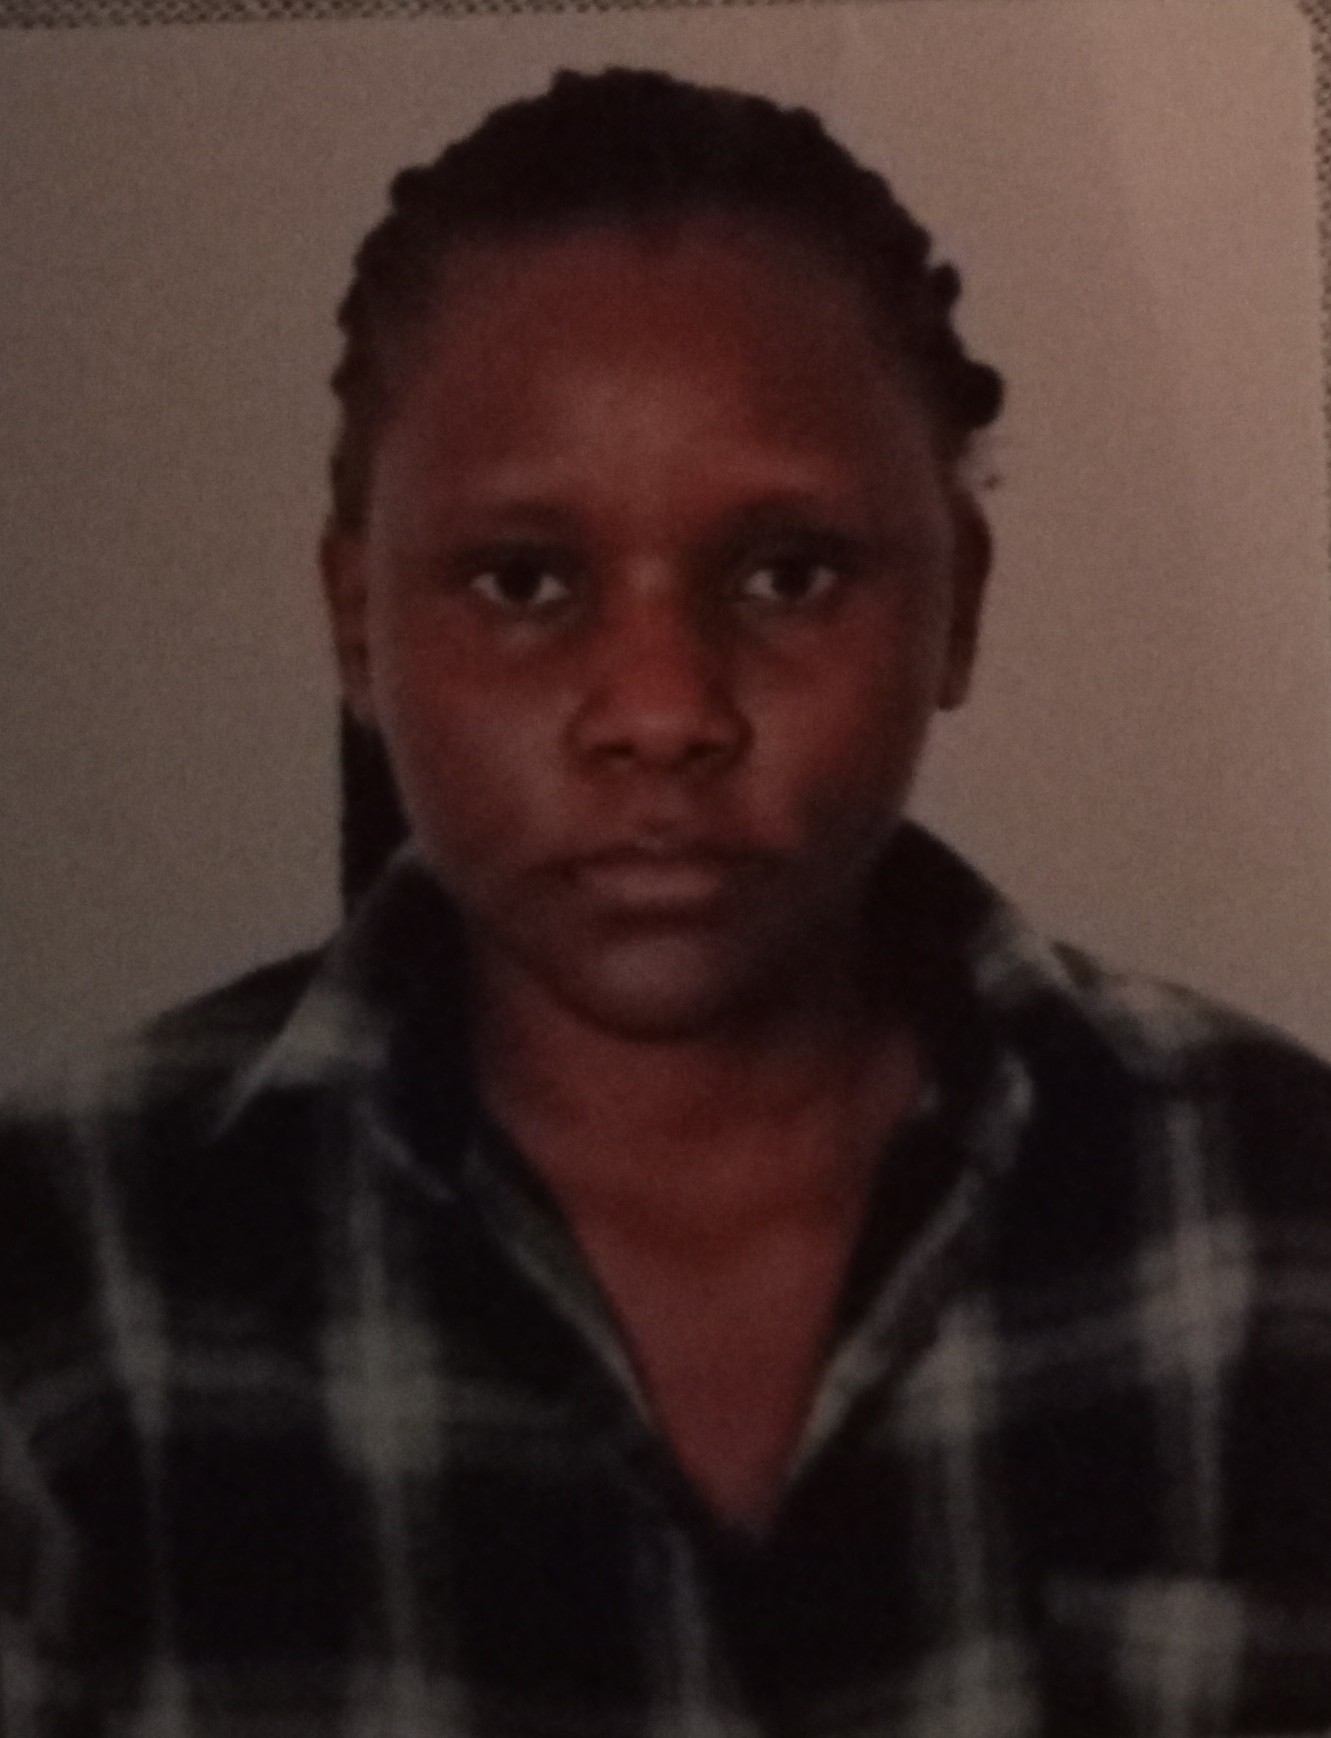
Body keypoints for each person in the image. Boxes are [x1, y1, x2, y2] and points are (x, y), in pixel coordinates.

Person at [4, 65, 1331, 1738]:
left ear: (961, 604)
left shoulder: (1273, 1219)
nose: (662, 710)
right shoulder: (72, 1277)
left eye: (789, 572)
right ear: (356, 624)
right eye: (525, 580)